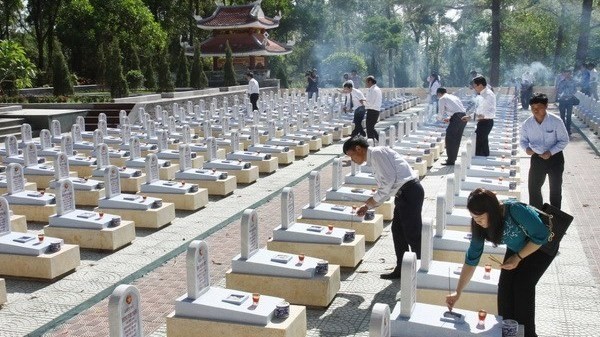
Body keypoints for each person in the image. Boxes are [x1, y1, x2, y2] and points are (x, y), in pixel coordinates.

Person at [446, 188, 552, 337]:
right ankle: (508, 332)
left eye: (480, 218)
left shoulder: (515, 210)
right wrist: (458, 292)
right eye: (474, 218)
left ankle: (527, 333)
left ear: (492, 211)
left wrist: (518, 258)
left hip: (540, 247)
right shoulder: (478, 224)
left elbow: (542, 235)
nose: (477, 222)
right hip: (517, 248)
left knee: (522, 286)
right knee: (504, 289)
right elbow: (472, 259)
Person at [343, 136, 424, 279]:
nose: (352, 160)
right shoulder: (374, 158)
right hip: (403, 194)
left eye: (351, 156)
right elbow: (386, 186)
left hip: (409, 192)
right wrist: (368, 206)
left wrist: (369, 203)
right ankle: (402, 268)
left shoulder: (377, 153)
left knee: (413, 234)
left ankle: (422, 271)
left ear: (358, 149)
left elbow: (387, 182)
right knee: (398, 232)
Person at [520, 93, 569, 210]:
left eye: (539, 108)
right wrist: (527, 149)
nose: (535, 111)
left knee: (555, 190)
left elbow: (564, 140)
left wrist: (550, 152)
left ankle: (555, 220)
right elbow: (523, 141)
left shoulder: (556, 121)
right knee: (533, 188)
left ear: (546, 106)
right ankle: (537, 216)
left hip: (555, 159)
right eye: (533, 108)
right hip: (537, 159)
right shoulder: (527, 124)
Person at [436, 87, 469, 165]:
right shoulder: (454, 97)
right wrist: (450, 118)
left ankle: (450, 160)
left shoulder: (442, 98)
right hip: (463, 117)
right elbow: (458, 109)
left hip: (457, 118)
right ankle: (452, 159)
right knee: (457, 139)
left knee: (450, 138)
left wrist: (439, 119)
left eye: (437, 95)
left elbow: (441, 112)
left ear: (439, 93)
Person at [465, 76, 496, 156]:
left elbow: (491, 112)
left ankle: (482, 159)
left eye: (475, 86)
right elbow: (479, 110)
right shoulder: (482, 94)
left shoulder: (488, 95)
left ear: (480, 85)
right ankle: (482, 158)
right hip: (482, 122)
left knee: (479, 143)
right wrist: (470, 117)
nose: (474, 88)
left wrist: (483, 116)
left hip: (486, 122)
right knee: (481, 143)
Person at [556, 69, 577, 135]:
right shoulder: (561, 82)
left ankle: (568, 129)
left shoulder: (573, 82)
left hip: (569, 100)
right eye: (566, 74)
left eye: (568, 74)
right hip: (562, 100)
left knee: (569, 116)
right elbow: (558, 90)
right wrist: (562, 95)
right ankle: (563, 129)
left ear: (570, 74)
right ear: (564, 74)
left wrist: (570, 95)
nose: (567, 75)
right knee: (562, 116)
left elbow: (575, 90)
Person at [364, 75, 382, 142]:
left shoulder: (374, 90)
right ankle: (379, 141)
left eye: (366, 82)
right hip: (373, 110)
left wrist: (363, 102)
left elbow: (371, 103)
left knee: (369, 128)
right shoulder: (373, 89)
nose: (365, 84)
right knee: (370, 127)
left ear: (370, 81)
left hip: (373, 111)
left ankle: (371, 142)